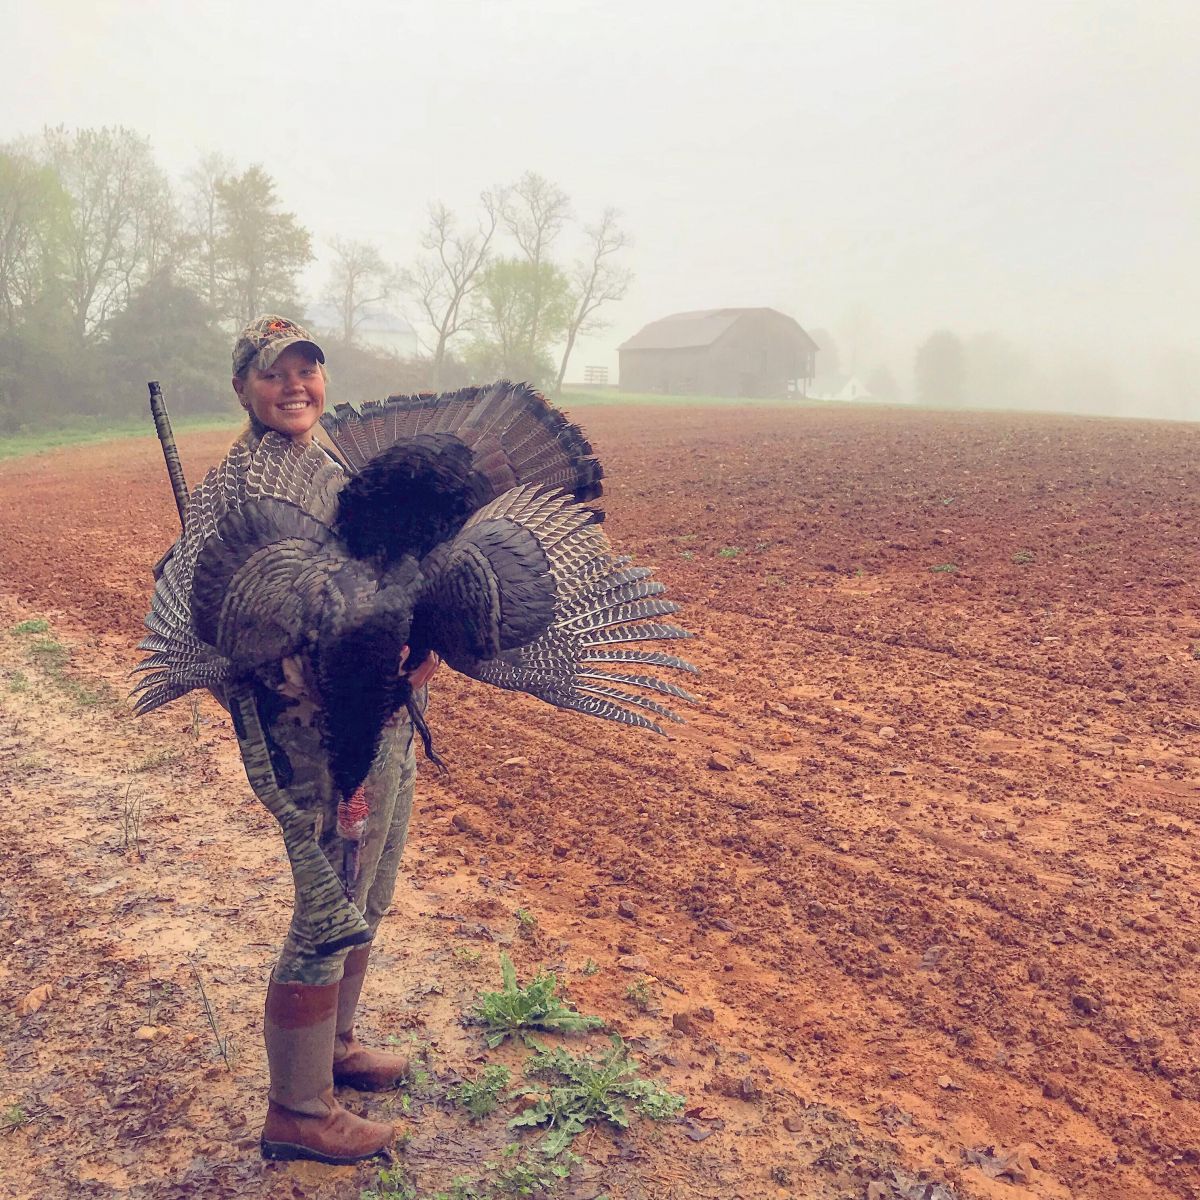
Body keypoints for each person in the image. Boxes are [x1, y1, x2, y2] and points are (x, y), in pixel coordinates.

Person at [226, 316, 438, 1164]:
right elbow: (233, 631)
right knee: (325, 908)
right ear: (244, 388)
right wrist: (327, 678)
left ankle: (339, 1049)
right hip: (309, 738)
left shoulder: (335, 464)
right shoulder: (241, 488)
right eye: (274, 374)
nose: (294, 387)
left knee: (370, 890)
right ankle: (298, 1109)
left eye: (306, 370)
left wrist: (416, 646)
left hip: (381, 717)